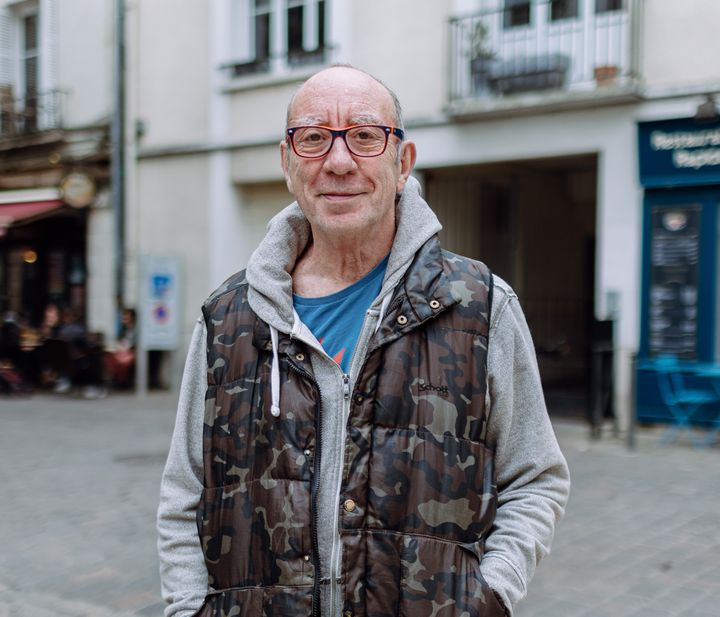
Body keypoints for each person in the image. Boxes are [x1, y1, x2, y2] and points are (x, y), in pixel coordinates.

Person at [157, 65, 570, 617]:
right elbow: (186, 496)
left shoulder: (478, 305)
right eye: (313, 138)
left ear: (403, 162)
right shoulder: (229, 318)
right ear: (287, 163)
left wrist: (487, 598)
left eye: (365, 136)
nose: (338, 161)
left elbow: (535, 477)